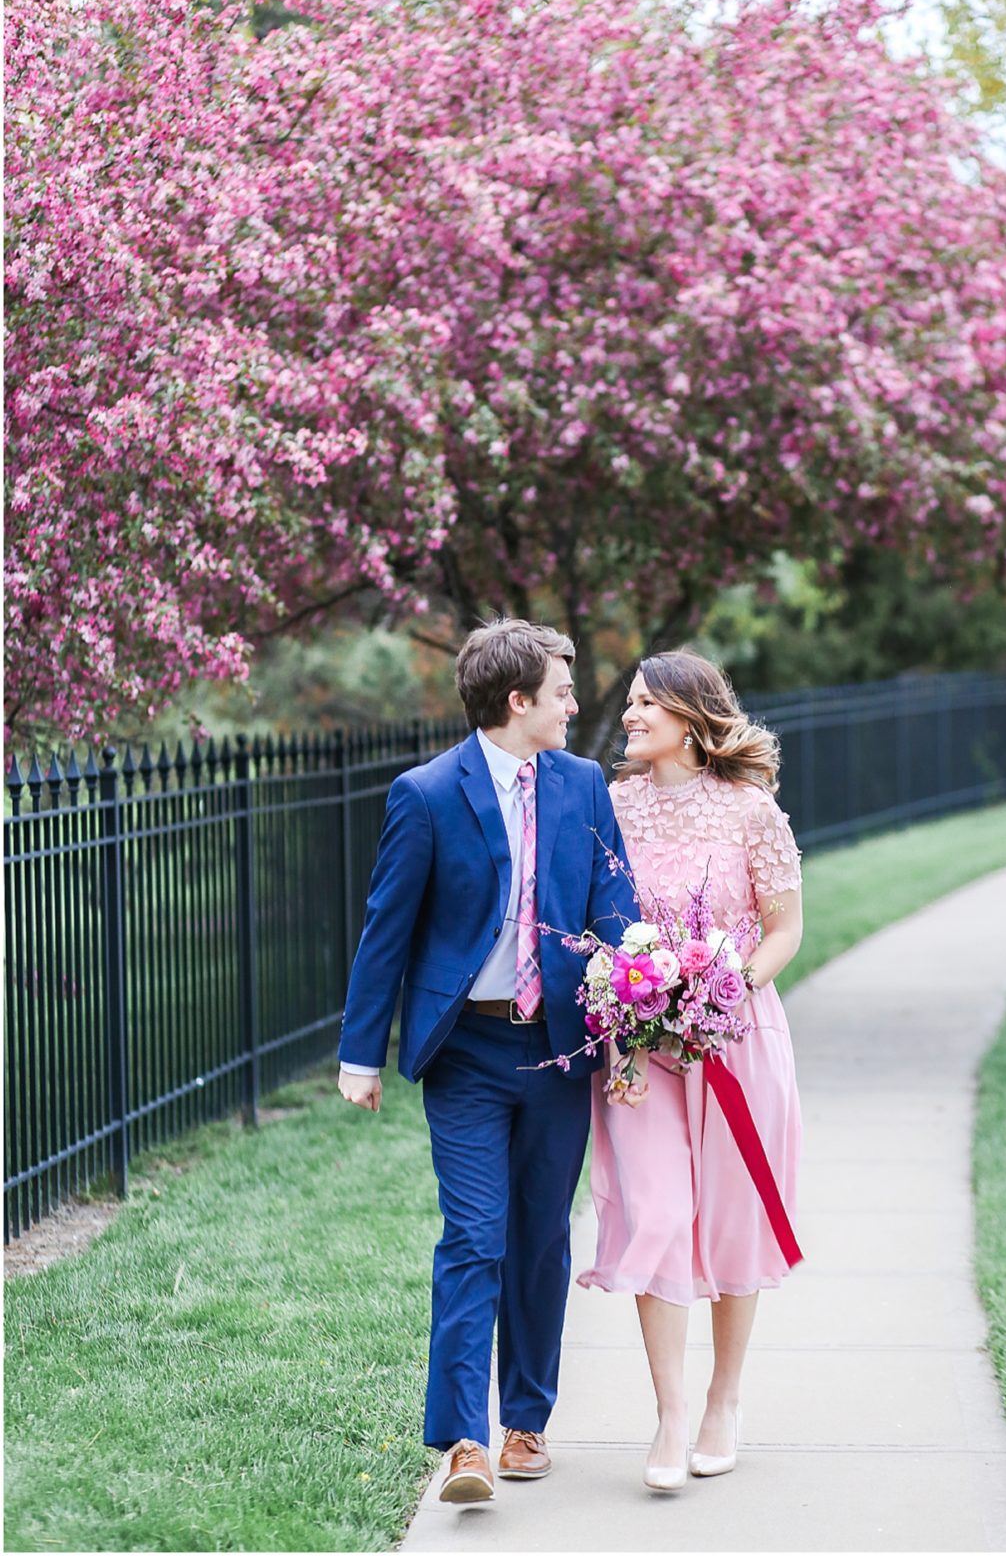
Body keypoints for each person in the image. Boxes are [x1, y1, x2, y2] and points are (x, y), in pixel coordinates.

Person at [337, 618, 639, 1504]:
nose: (576, 706)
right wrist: (361, 1053)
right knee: (473, 1237)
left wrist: (631, 1015)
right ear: (517, 702)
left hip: (558, 1052)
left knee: (541, 1239)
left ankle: (524, 1423)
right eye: (561, 692)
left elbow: (613, 903)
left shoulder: (584, 785)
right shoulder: (427, 794)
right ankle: (464, 1442)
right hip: (466, 1051)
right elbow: (386, 929)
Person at [578, 649, 803, 1491]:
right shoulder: (610, 809)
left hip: (735, 1041)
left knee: (733, 1218)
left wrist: (721, 984)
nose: (629, 716)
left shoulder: (751, 812)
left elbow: (783, 930)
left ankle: (722, 1399)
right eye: (629, 704)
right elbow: (595, 925)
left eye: (643, 704)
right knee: (659, 1212)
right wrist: (626, 1021)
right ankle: (670, 1413)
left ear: (686, 716)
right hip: (638, 1047)